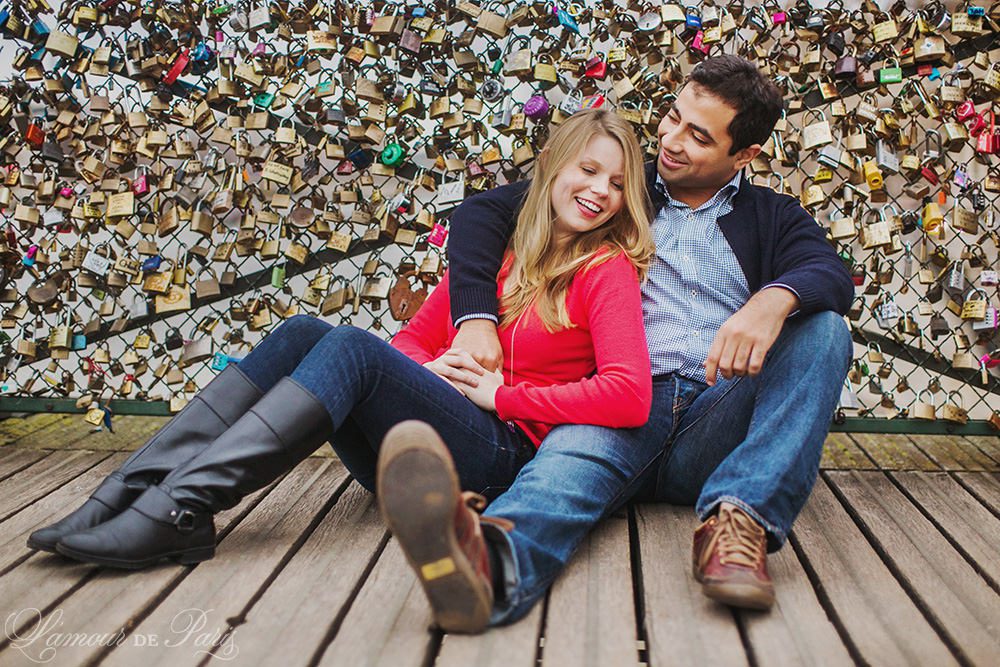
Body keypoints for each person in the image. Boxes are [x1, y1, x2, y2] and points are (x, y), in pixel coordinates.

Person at [28, 109, 656, 626]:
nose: (600, 190)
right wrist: (432, 371)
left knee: (352, 346)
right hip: (437, 436)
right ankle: (130, 493)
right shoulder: (502, 256)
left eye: (615, 183)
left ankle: (180, 507)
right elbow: (411, 339)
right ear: (551, 168)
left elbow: (629, 397)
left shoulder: (604, 272)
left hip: (500, 460)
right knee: (306, 330)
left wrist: (503, 397)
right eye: (589, 169)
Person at [411, 55, 854, 626]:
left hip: (721, 415)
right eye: (672, 118)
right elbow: (480, 215)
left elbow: (830, 274)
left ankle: (739, 520)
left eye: (698, 136)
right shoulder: (620, 185)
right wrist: (476, 316)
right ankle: (489, 570)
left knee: (823, 330)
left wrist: (773, 301)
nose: (670, 140)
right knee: (563, 472)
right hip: (625, 405)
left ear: (743, 155)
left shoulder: (772, 216)